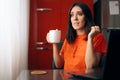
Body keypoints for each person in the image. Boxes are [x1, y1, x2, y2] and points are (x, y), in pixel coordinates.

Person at [46, 2, 107, 71]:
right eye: (72, 15)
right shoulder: (69, 38)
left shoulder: (97, 37)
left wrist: (90, 38)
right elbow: (58, 64)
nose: (75, 18)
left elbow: (91, 66)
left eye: (80, 14)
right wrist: (54, 43)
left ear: (87, 17)